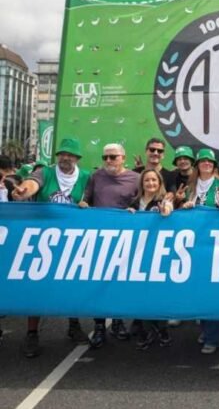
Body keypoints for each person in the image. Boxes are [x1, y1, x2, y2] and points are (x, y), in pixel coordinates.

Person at [11, 138, 91, 357]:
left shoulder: (85, 177)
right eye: (62, 154)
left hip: (72, 241)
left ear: (77, 158)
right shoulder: (45, 173)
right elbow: (32, 183)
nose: (66, 157)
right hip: (42, 241)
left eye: (70, 154)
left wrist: (86, 205)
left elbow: (90, 200)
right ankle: (31, 333)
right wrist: (24, 191)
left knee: (72, 284)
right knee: (36, 286)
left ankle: (73, 325)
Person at [80, 143, 140, 349]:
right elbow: (86, 200)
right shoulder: (95, 176)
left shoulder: (136, 178)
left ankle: (117, 321)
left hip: (125, 241)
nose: (108, 161)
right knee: (99, 284)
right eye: (105, 157)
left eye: (113, 157)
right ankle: (99, 326)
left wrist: (133, 210)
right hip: (99, 240)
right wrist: (83, 205)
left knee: (120, 283)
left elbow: (142, 203)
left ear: (123, 158)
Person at [182, 148, 219, 354]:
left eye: (210, 161)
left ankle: (213, 337)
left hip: (215, 246)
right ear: (197, 165)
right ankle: (205, 328)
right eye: (203, 161)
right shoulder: (190, 186)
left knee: (213, 293)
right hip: (194, 246)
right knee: (198, 290)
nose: (207, 164)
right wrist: (183, 206)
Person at [127, 169, 174, 349]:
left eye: (154, 180)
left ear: (159, 183)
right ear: (142, 183)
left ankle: (162, 329)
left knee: (158, 295)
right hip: (138, 255)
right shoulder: (134, 201)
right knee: (140, 295)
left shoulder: (164, 200)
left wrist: (165, 211)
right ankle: (146, 330)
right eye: (147, 180)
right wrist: (128, 214)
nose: (151, 183)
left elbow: (168, 211)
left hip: (158, 254)